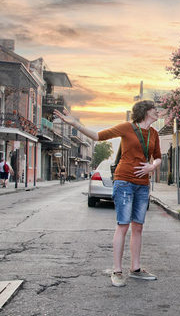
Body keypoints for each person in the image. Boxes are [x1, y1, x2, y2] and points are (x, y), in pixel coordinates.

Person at [54, 100, 161, 287]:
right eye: (155, 109)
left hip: (143, 184)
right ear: (145, 112)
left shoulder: (154, 133)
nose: (157, 111)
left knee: (138, 227)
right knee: (123, 226)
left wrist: (152, 166)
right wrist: (75, 125)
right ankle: (117, 271)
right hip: (124, 182)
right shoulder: (127, 128)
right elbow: (97, 136)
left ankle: (135, 269)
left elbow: (158, 157)